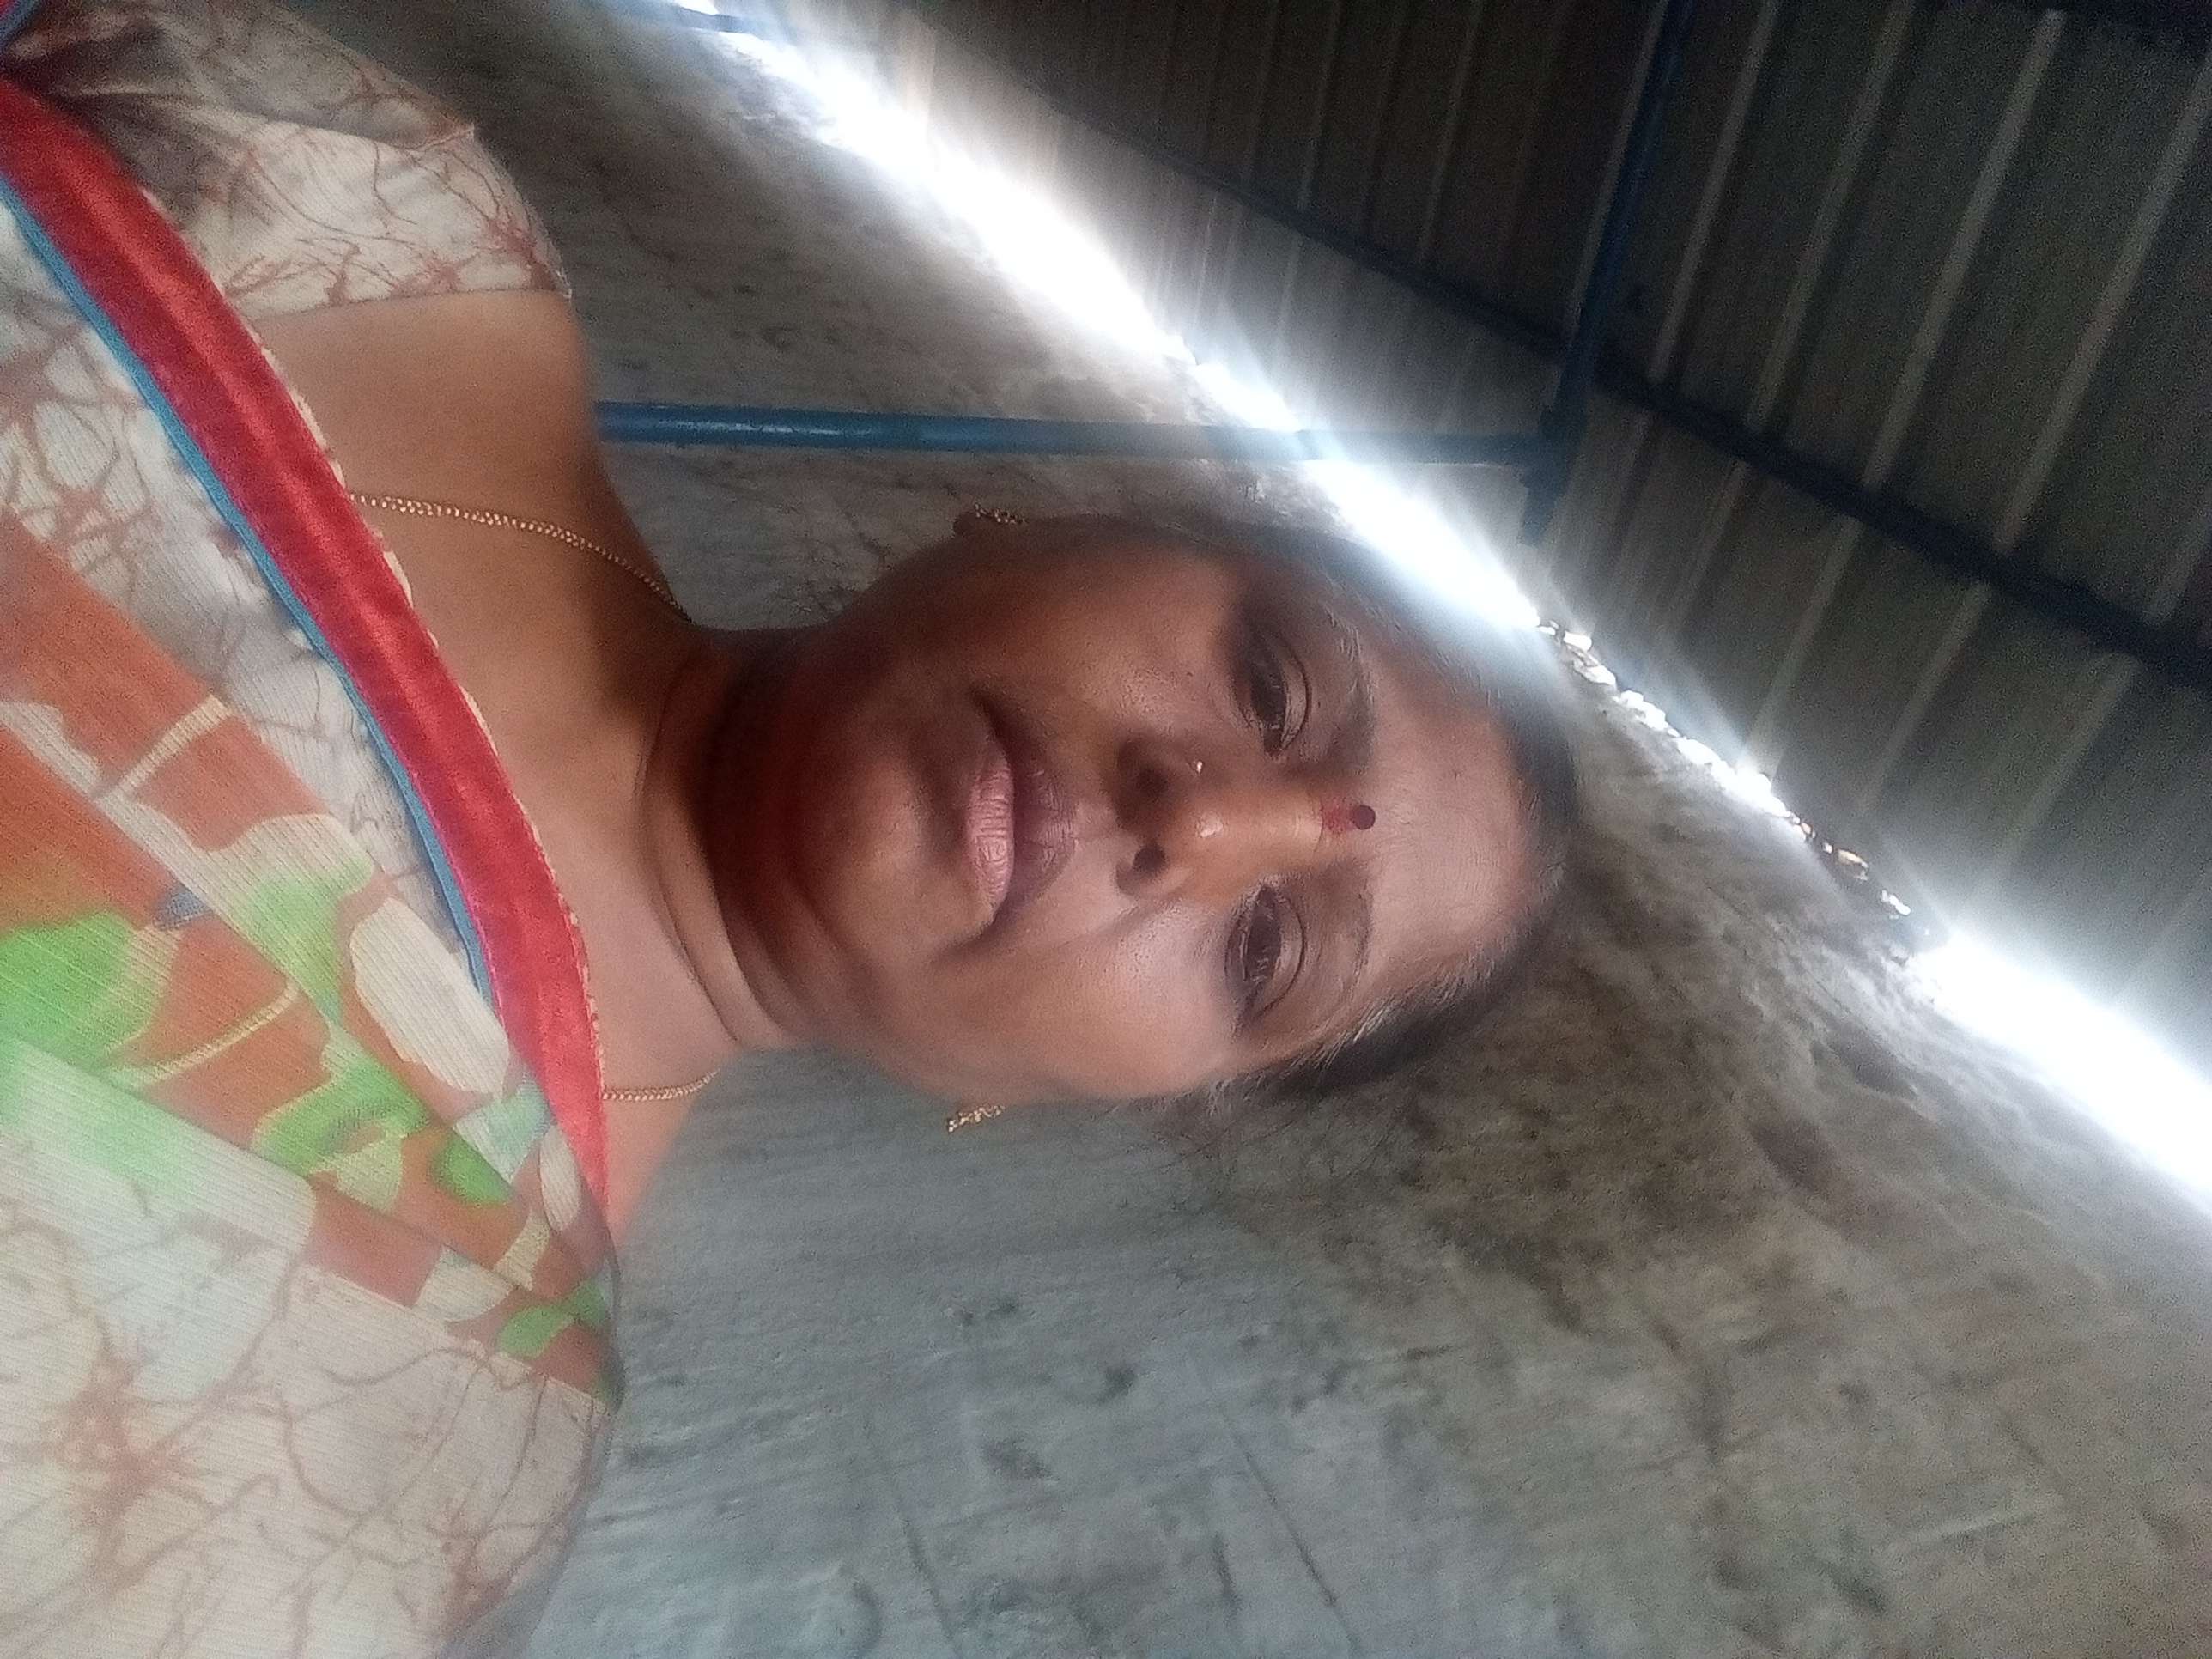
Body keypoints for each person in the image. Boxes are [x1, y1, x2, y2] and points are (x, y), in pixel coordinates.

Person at [0, 0, 1571, 1652]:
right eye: (1272, 684)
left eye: (1267, 951)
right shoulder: (369, 205)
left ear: (1054, 1100)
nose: (1201, 820)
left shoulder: (378, 1451)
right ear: (1049, 523)